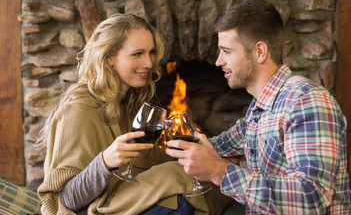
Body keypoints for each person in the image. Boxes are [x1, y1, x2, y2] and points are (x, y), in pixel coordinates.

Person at [165, 0, 351, 214]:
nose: (218, 61)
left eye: (226, 51)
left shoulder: (306, 101)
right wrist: (173, 145)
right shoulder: (259, 108)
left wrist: (219, 172)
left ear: (260, 52)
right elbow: (217, 146)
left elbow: (312, 197)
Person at [36, 13, 218, 214]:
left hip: (122, 199)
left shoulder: (129, 102)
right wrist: (105, 162)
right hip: (93, 209)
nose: (149, 63)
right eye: (137, 54)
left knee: (189, 182)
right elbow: (67, 199)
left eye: (151, 52)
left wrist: (214, 157)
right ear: (110, 58)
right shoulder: (79, 108)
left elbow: (152, 159)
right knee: (181, 200)